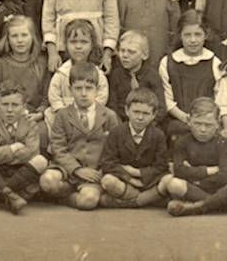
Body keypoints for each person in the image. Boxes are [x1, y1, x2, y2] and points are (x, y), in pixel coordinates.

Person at [39, 62, 120, 210]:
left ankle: (64, 197)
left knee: (88, 201)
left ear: (97, 90)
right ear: (70, 89)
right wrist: (76, 169)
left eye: (89, 88)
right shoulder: (62, 115)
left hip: (94, 172)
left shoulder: (109, 116)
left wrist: (101, 171)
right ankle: (65, 191)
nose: (83, 93)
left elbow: (114, 150)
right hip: (67, 170)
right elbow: (58, 148)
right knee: (47, 180)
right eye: (78, 88)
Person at [0, 81, 49, 213]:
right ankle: (10, 195)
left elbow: (32, 153)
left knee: (41, 160)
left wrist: (1, 153)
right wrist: (14, 148)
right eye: (5, 104)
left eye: (15, 105)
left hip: (20, 175)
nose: (10, 110)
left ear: (23, 106)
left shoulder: (31, 125)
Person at [159, 10, 225, 144]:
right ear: (180, 36)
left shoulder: (215, 62)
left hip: (207, 124)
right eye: (187, 35)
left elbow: (220, 97)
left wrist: (204, 120)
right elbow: (166, 99)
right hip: (178, 122)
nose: (193, 40)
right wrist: (185, 118)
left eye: (198, 34)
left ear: (206, 35)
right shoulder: (168, 62)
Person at [163, 98, 227, 215]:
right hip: (192, 189)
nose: (202, 129)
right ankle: (224, 205)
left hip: (216, 188)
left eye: (208, 125)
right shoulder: (182, 142)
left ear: (217, 124)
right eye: (197, 123)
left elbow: (225, 176)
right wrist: (208, 171)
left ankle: (194, 207)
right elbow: (179, 170)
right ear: (189, 121)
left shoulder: (223, 143)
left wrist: (195, 177)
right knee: (173, 184)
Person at [99, 88, 170, 208]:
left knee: (168, 180)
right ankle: (147, 199)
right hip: (124, 181)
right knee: (108, 180)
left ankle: (129, 202)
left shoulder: (158, 135)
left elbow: (161, 165)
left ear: (153, 115)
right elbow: (108, 163)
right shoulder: (116, 132)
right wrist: (130, 178)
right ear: (127, 111)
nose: (140, 117)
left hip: (149, 181)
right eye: (136, 112)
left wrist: (137, 173)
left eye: (146, 113)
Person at [45, 19, 110, 130]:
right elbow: (54, 96)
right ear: (66, 44)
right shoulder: (61, 72)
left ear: (92, 45)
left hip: (90, 117)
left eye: (84, 42)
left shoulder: (98, 74)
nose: (78, 46)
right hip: (64, 118)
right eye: (73, 42)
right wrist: (64, 114)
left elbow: (102, 95)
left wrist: (88, 112)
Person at [0, 15, 50, 131]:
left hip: (34, 118)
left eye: (24, 35)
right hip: (6, 117)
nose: (20, 40)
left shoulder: (42, 63)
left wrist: (40, 113)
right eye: (14, 36)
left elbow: (46, 96)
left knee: (40, 132)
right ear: (7, 39)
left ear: (32, 37)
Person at [106, 30, 165, 124]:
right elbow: (112, 106)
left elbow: (161, 108)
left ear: (144, 55)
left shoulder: (152, 76)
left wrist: (146, 124)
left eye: (131, 52)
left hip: (147, 122)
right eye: (122, 50)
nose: (125, 55)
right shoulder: (116, 75)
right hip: (122, 123)